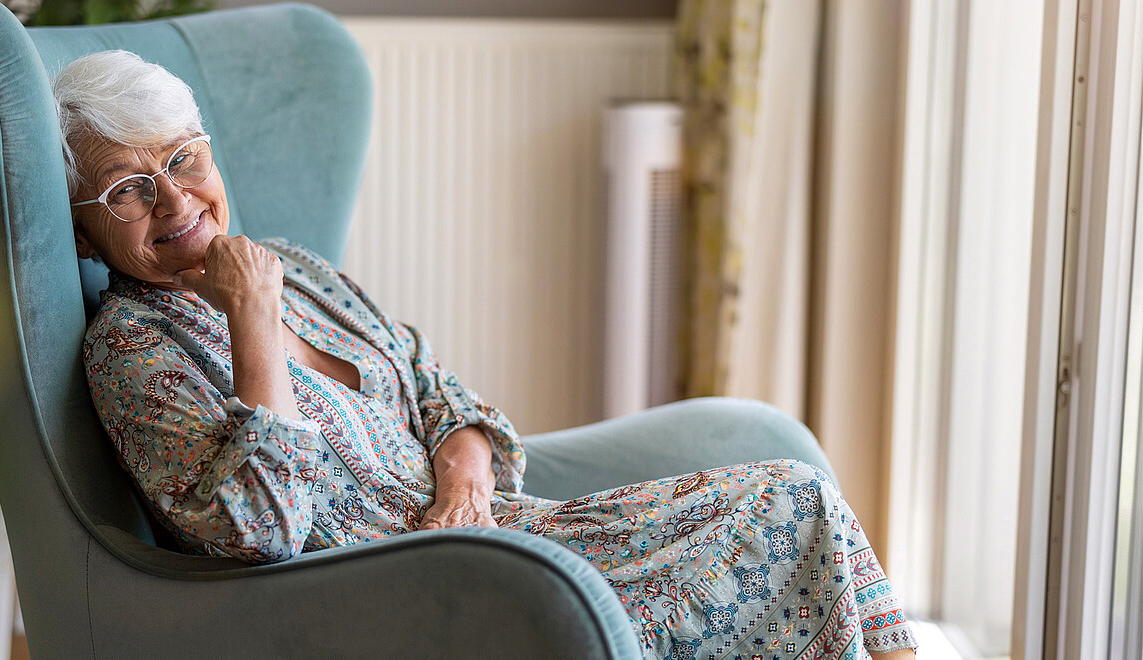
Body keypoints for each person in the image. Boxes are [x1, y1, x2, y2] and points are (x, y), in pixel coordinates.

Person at [59, 49, 918, 660]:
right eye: (128, 189)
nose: (173, 197)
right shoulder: (131, 350)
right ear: (87, 233)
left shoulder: (299, 269)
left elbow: (440, 389)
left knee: (795, 497)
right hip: (411, 595)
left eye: (182, 157)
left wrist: (465, 482)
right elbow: (265, 529)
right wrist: (251, 317)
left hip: (503, 533)